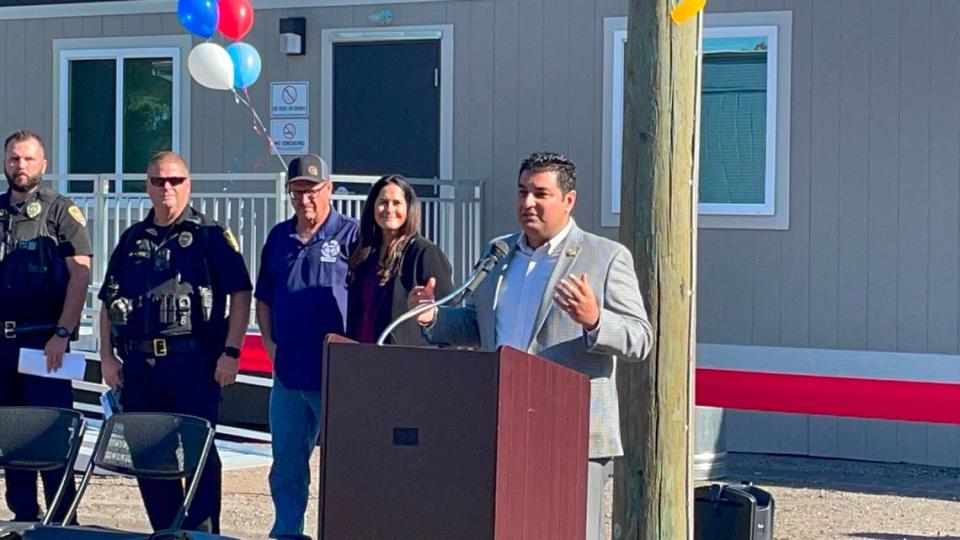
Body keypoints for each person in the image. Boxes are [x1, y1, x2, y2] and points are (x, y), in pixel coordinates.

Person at [410, 151, 654, 540]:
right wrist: (432, 318)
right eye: (522, 192)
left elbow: (640, 339)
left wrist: (595, 319)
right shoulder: (499, 253)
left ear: (569, 200)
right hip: (503, 422)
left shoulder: (605, 257)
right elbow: (477, 325)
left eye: (541, 194)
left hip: (573, 430)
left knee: (570, 532)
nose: (527, 203)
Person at [98, 151, 252, 533]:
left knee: (197, 453)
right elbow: (107, 300)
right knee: (148, 454)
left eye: (175, 181)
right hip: (139, 367)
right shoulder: (132, 238)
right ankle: (166, 531)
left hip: (194, 363)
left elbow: (241, 292)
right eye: (158, 181)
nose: (167, 188)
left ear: (188, 184)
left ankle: (200, 533)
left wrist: (232, 352)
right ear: (147, 185)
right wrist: (105, 356)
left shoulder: (210, 235)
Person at [254, 154, 358, 539]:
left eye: (312, 191)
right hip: (288, 373)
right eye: (297, 192)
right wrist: (267, 343)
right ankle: (287, 532)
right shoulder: (278, 237)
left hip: (336, 374)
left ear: (328, 189)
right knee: (286, 465)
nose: (305, 200)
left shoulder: (351, 235)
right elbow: (263, 296)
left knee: (346, 464)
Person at [0, 129, 91, 523]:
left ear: (44, 165)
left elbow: (80, 276)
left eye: (28, 159)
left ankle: (61, 522)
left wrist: (62, 333)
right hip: (2, 345)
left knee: (52, 436)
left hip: (43, 342)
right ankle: (22, 519)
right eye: (14, 158)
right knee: (11, 439)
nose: (21, 166)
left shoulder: (60, 212)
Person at [346, 175, 453, 345]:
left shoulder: (425, 253)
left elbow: (449, 318)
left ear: (409, 208)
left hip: (405, 363)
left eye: (397, 203)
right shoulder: (362, 253)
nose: (389, 209)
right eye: (383, 202)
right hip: (361, 358)